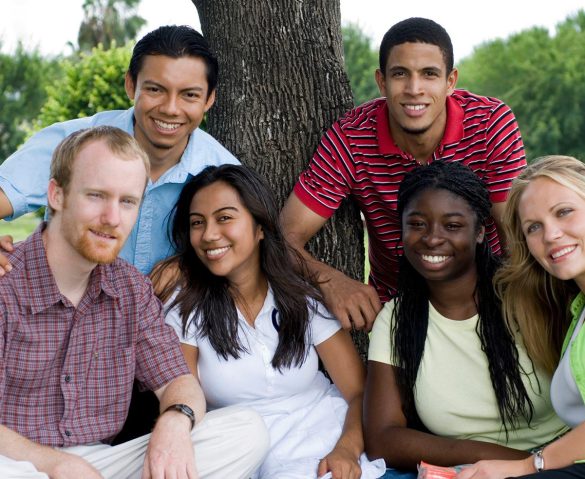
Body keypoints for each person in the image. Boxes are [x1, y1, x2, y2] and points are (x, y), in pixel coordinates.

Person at [0, 126, 268, 479]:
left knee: (245, 431)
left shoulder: (129, 289)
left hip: (100, 467)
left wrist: (175, 420)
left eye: (127, 201)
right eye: (96, 196)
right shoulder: (6, 281)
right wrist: (54, 465)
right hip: (16, 461)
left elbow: (178, 381)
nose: (112, 218)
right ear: (57, 194)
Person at [280, 17, 526, 330]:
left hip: (484, 297)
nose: (414, 89)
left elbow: (514, 240)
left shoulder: (490, 123)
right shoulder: (352, 138)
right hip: (399, 309)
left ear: (450, 81)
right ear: (381, 81)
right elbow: (285, 236)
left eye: (429, 74)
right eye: (400, 74)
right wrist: (331, 281)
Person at [152, 164, 385, 479]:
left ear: (260, 227)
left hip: (327, 438)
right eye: (197, 222)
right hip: (243, 451)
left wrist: (346, 448)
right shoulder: (185, 307)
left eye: (224, 218)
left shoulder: (299, 296)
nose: (208, 235)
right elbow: (181, 398)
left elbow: (359, 392)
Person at [363, 161, 566, 477]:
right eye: (417, 224)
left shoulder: (528, 293)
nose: (432, 238)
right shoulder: (396, 319)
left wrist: (532, 465)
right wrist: (498, 461)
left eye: (452, 225)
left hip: (563, 461)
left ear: (481, 232)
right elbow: (382, 439)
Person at [0, 24, 238, 276]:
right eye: (155, 89)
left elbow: (247, 267)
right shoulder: (72, 142)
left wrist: (187, 270)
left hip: (168, 314)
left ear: (209, 99)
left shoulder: (223, 171)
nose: (170, 108)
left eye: (189, 95)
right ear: (130, 85)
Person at [455, 155, 585, 479]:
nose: (551, 235)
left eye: (564, 212)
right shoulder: (575, 309)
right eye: (534, 227)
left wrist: (528, 465)